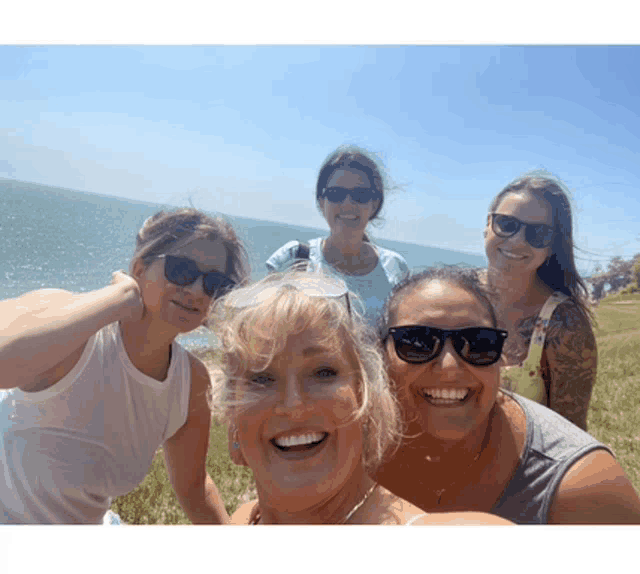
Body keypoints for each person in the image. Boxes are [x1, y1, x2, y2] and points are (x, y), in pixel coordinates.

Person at [0, 208, 250, 524]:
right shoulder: (75, 332)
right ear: (139, 268)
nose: (198, 290)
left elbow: (194, 488)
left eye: (214, 282)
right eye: (181, 270)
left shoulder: (190, 383)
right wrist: (119, 297)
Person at [208, 271, 511, 525]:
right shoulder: (245, 521)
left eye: (323, 372)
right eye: (261, 378)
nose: (294, 404)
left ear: (366, 401)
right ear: (234, 424)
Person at [374, 266, 640, 524]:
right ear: (379, 354)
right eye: (417, 342)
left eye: (479, 343)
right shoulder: (345, 440)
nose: (449, 367)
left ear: (501, 359)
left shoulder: (583, 488)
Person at [483, 172, 596, 430]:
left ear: (552, 245)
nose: (517, 240)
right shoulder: (457, 294)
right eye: (507, 224)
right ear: (487, 224)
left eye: (538, 233)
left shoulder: (564, 324)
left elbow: (571, 433)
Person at [265, 145, 409, 327]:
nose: (348, 203)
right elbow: (266, 333)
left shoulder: (396, 268)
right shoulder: (292, 259)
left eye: (360, 195)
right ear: (321, 201)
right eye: (336, 194)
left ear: (374, 204)